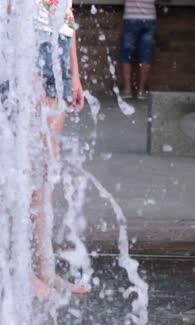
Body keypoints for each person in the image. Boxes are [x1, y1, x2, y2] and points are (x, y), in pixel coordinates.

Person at [33, 0, 88, 299]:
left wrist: (75, 74)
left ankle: (45, 269)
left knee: (45, 173)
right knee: (24, 171)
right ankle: (21, 271)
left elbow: (67, 15)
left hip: (58, 50)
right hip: (26, 50)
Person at [119, 0, 157, 99]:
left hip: (131, 17)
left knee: (126, 54)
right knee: (146, 55)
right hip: (149, 17)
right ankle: (141, 90)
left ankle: (127, 89)